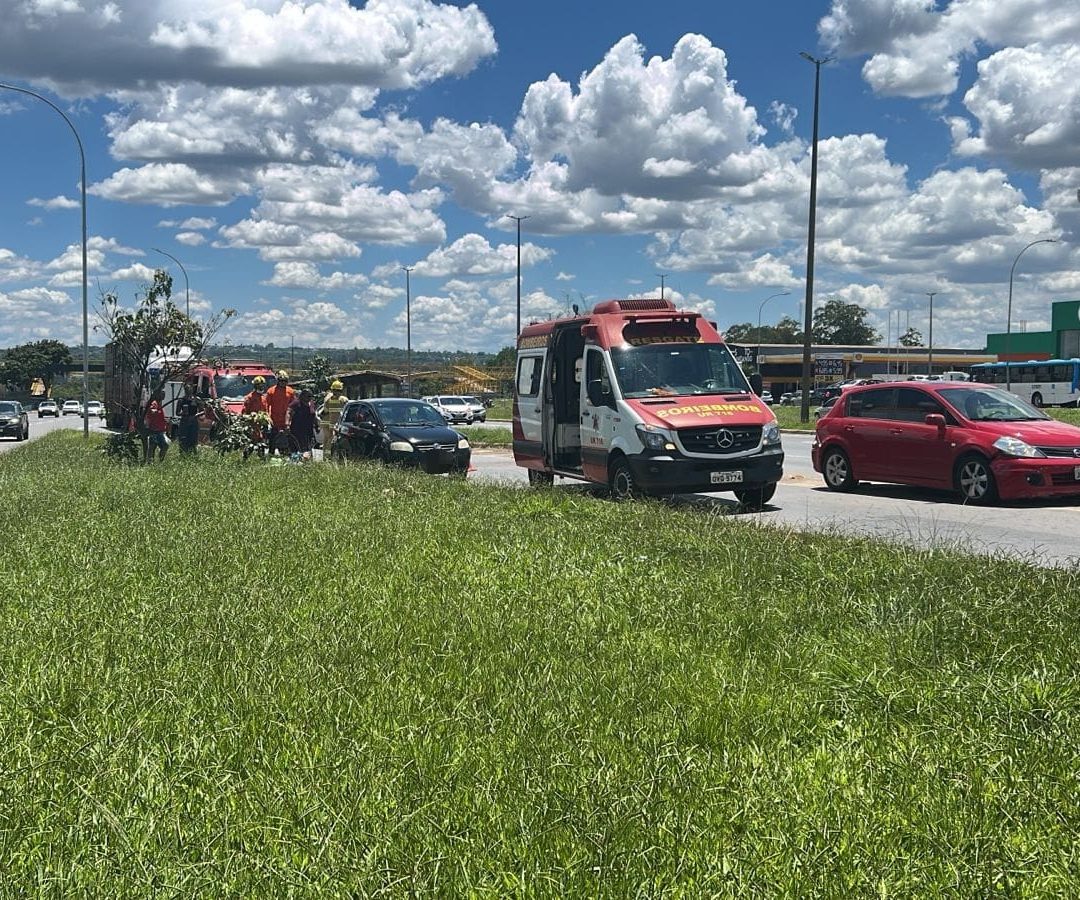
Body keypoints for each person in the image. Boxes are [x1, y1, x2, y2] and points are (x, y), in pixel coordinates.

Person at [264, 370, 295, 456]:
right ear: (278, 380)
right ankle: (270, 456)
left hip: (286, 422)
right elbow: (266, 406)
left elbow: (293, 406)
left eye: (286, 381)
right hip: (274, 421)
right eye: (282, 381)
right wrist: (268, 418)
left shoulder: (290, 391)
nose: (284, 383)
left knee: (286, 443)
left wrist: (291, 420)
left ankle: (286, 458)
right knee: (272, 441)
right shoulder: (271, 391)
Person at [287, 388, 318, 459]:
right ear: (302, 396)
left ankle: (307, 462)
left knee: (308, 448)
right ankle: (297, 461)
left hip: (308, 430)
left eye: (311, 396)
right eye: (308, 396)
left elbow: (313, 415)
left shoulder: (311, 404)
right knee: (298, 448)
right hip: (297, 430)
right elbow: (288, 412)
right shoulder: (296, 403)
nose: (309, 398)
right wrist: (287, 424)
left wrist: (316, 425)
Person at [242, 375, 269, 457]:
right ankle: (245, 459)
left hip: (261, 425)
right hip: (252, 425)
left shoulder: (263, 397)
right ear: (255, 386)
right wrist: (250, 418)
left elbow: (266, 410)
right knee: (251, 443)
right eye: (259, 385)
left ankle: (262, 459)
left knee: (262, 443)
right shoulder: (249, 397)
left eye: (262, 385)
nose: (261, 387)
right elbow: (244, 412)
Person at [320, 379, 348, 457]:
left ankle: (325, 456)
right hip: (331, 422)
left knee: (326, 440)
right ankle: (328, 457)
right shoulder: (341, 399)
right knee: (330, 439)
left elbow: (325, 408)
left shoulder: (328, 398)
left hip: (326, 421)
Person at [143, 389, 169, 462]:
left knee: (165, 445)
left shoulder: (160, 404)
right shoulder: (154, 403)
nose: (163, 395)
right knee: (152, 446)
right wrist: (155, 411)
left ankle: (161, 461)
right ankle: (150, 462)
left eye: (164, 394)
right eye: (161, 394)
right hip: (154, 429)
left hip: (160, 430)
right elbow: (151, 411)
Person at [176, 380, 200, 453]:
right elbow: (177, 413)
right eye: (187, 390)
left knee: (193, 439)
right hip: (184, 421)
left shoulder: (196, 399)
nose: (188, 391)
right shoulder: (181, 400)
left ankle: (194, 455)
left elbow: (203, 410)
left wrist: (196, 415)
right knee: (184, 439)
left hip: (193, 421)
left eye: (190, 390)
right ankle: (183, 454)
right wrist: (183, 413)